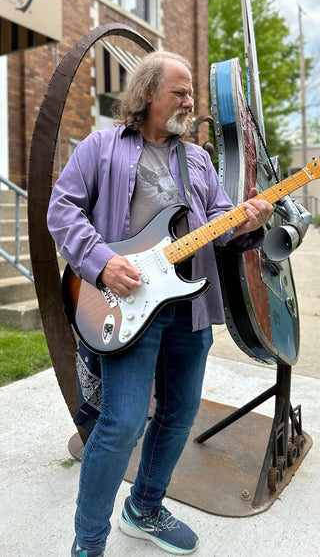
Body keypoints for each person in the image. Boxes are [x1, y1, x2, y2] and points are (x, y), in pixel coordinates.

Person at [47, 51, 273, 557]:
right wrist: (101, 261)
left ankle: (144, 508)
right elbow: (61, 209)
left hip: (187, 307)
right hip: (125, 306)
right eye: (181, 91)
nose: (191, 101)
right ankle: (88, 543)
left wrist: (246, 223)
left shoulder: (197, 160)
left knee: (178, 414)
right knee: (122, 424)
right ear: (148, 93)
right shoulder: (101, 147)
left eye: (191, 92)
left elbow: (219, 225)